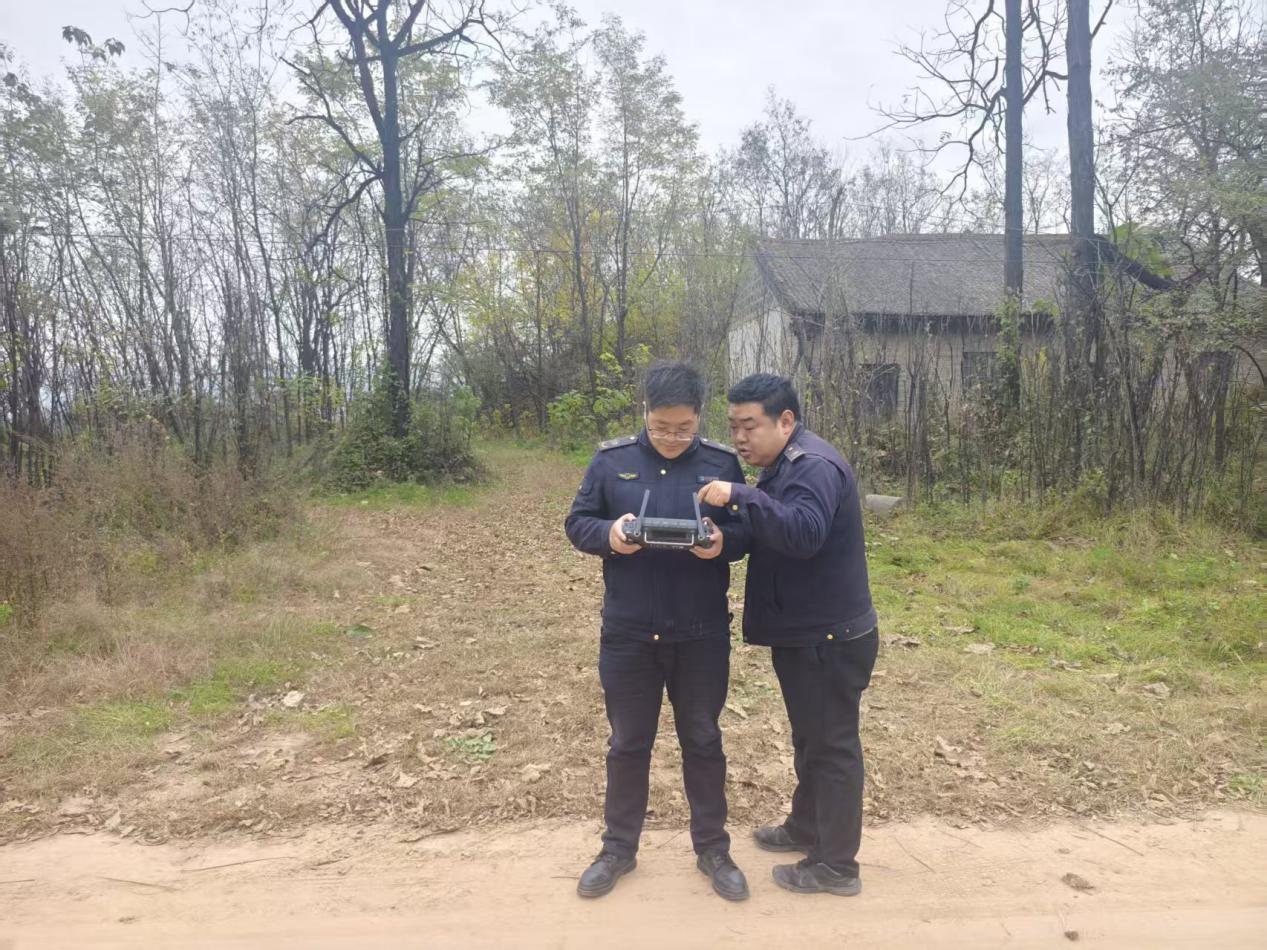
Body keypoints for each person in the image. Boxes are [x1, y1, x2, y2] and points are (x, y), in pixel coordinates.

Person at [564, 362, 751, 901]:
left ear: (699, 417)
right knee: (627, 743)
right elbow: (577, 522)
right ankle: (618, 849)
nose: (672, 438)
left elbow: (745, 530)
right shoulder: (612, 461)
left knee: (704, 739)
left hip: (700, 632)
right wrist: (611, 534)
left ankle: (713, 849)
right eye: (661, 427)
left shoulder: (720, 463)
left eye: (684, 428)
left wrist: (721, 543)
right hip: (629, 631)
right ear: (644, 412)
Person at [698, 373, 879, 897]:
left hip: (830, 639)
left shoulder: (812, 467)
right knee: (811, 739)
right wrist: (725, 538)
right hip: (809, 634)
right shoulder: (782, 466)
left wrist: (740, 496)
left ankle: (836, 867)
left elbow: (802, 533)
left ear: (785, 421)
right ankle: (806, 826)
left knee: (832, 747)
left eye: (749, 425)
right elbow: (772, 531)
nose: (739, 437)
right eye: (732, 426)